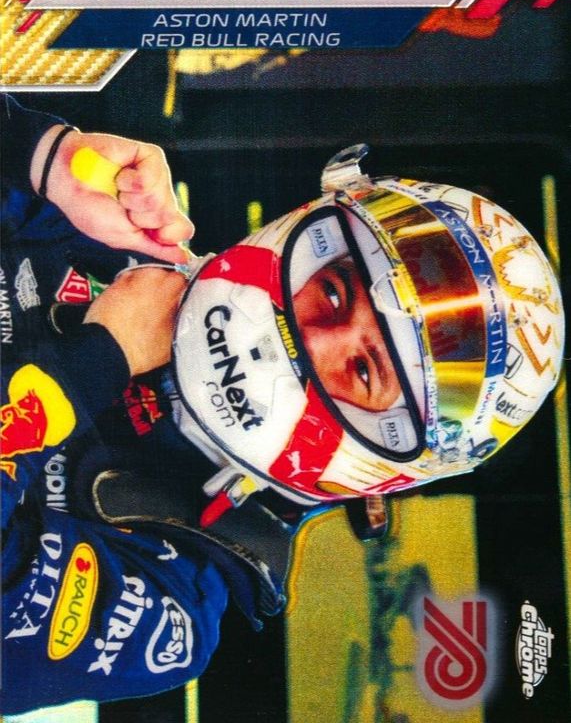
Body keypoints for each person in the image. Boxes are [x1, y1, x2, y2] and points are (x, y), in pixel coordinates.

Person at [1, 100, 564, 714]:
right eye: (333, 291)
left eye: (364, 369)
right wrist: (41, 153)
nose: (314, 338)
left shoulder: (170, 606)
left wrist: (94, 364)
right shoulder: (116, 244)